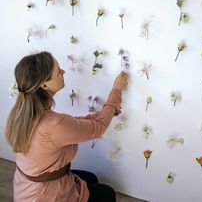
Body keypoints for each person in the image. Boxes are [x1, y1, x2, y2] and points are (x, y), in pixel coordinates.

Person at [5, 51, 128, 202]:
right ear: (44, 85)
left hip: (26, 188)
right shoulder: (55, 124)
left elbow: (75, 124)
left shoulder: (22, 113)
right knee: (107, 193)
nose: (63, 72)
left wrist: (102, 113)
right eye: (58, 71)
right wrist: (116, 90)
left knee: (91, 178)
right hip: (43, 195)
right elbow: (98, 128)